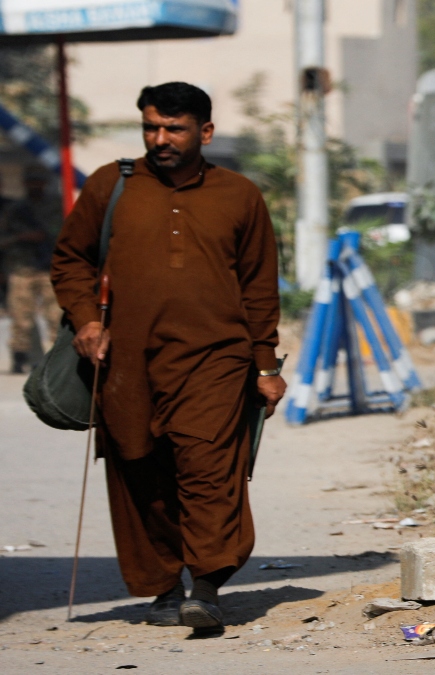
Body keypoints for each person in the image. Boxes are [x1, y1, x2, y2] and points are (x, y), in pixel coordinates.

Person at [52, 82, 286, 633]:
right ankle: (161, 584)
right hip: (126, 360)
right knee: (140, 467)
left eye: (174, 129)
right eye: (151, 127)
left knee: (209, 468)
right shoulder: (112, 185)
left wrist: (266, 365)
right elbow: (70, 260)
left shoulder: (240, 195)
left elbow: (258, 287)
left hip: (216, 359)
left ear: (204, 132)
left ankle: (205, 584)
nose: (161, 139)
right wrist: (86, 319)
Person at [1, 166, 63, 373]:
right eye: (31, 181)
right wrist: (22, 237)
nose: (35, 185)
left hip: (49, 267)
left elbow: (65, 231)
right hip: (22, 268)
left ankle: (58, 360)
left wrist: (46, 235)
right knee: (20, 317)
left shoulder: (56, 206)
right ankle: (20, 358)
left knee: (55, 316)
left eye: (39, 181)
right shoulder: (15, 209)